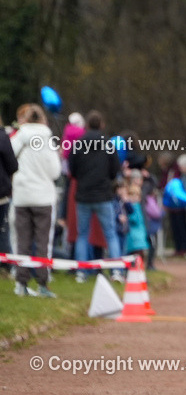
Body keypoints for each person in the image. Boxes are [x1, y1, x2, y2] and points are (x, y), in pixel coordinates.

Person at [10, 105, 61, 297]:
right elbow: (55, 172)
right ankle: (42, 284)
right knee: (42, 242)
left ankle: (21, 284)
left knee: (22, 241)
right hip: (43, 197)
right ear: (43, 120)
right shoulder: (47, 140)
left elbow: (8, 160)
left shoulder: (17, 139)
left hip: (21, 196)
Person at [68, 111, 124, 283]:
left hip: (84, 195)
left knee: (82, 235)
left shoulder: (78, 144)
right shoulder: (108, 145)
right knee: (110, 234)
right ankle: (116, 271)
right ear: (102, 125)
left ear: (86, 125)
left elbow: (72, 170)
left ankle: (81, 273)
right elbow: (115, 170)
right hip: (103, 195)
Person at [0, 115, 17, 279]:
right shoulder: (3, 137)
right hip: (1, 192)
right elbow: (13, 165)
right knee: (3, 230)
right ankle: (4, 267)